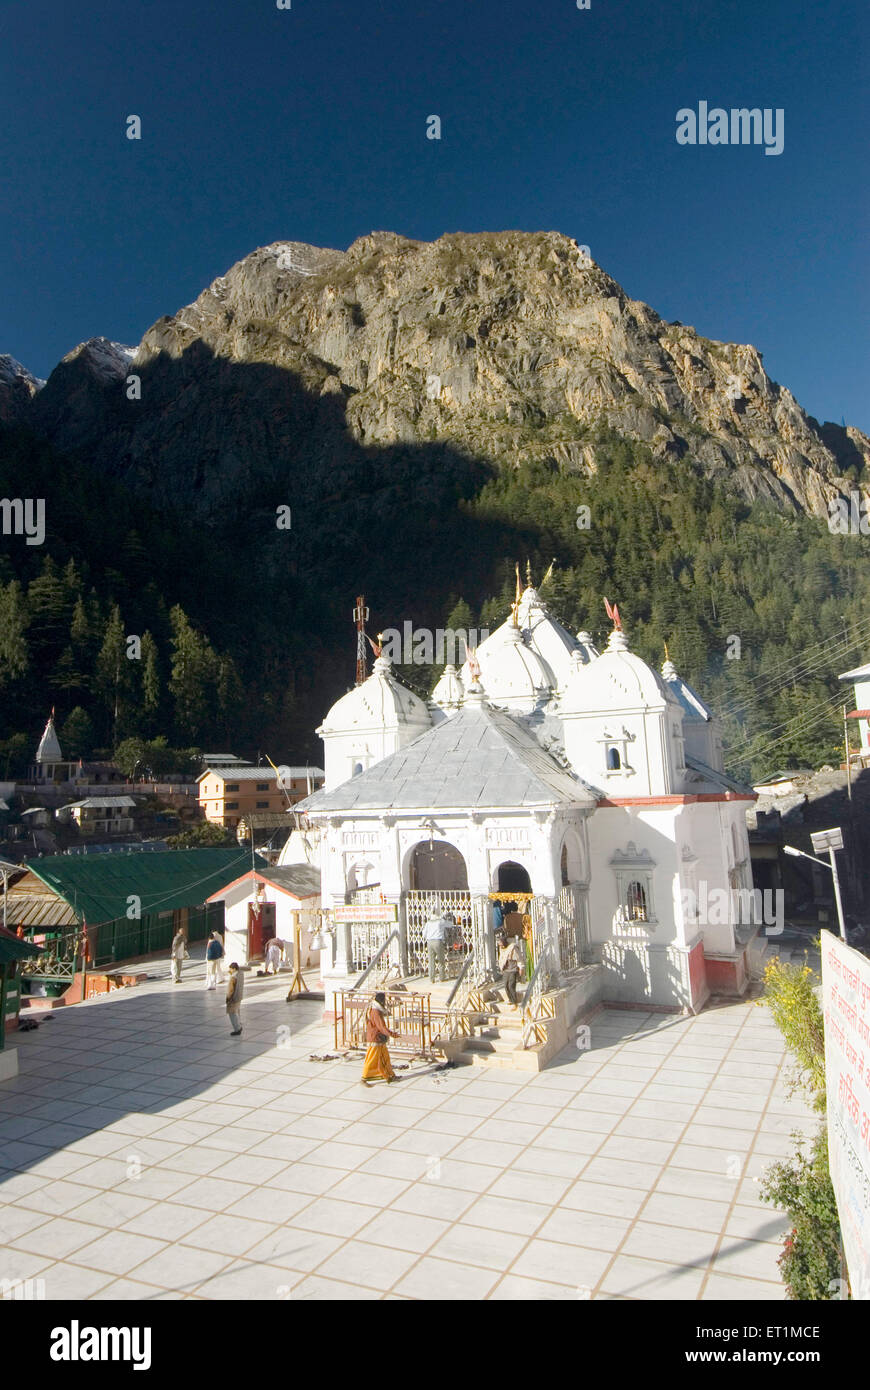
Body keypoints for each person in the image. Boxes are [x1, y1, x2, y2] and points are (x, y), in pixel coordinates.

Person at [361, 991, 399, 1084]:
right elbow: (381, 1027)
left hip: (378, 1038)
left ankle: (390, 1075)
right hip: (376, 1039)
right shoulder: (376, 1012)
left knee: (385, 1058)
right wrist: (392, 1034)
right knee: (372, 1059)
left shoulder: (374, 1010)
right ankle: (364, 1077)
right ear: (381, 1001)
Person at [497, 929, 524, 1008]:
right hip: (506, 970)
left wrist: (521, 968)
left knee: (511, 985)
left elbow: (519, 959)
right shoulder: (502, 949)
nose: (500, 946)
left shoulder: (512, 948)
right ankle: (510, 999)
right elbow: (501, 958)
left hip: (513, 969)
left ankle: (514, 1001)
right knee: (506, 985)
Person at [423, 911, 449, 983]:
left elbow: (424, 934)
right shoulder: (441, 922)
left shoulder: (428, 923)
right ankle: (441, 977)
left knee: (431, 961)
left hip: (430, 942)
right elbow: (450, 925)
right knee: (441, 960)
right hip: (438, 941)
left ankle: (432, 978)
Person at [226, 961, 245, 1035]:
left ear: (234, 969)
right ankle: (239, 1025)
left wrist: (228, 999)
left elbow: (230, 990)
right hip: (239, 996)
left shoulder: (233, 978)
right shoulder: (240, 973)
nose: (229, 970)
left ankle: (237, 1029)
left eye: (230, 969)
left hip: (233, 998)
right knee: (237, 1011)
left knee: (232, 1013)